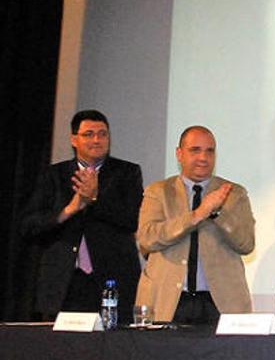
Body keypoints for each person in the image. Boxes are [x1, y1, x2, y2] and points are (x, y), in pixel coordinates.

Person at [20, 110, 143, 324]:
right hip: (64, 281)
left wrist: (94, 199)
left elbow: (131, 219)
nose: (97, 140)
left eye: (103, 134)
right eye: (89, 134)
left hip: (111, 282)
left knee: (112, 352)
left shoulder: (126, 173)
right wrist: (69, 209)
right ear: (73, 139)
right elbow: (29, 226)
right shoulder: (54, 175)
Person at [135, 126, 255, 325]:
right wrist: (197, 215)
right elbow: (147, 239)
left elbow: (246, 244)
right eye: (195, 150)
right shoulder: (158, 192)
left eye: (210, 151)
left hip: (219, 303)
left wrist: (217, 212)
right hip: (168, 301)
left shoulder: (234, 193)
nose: (203, 157)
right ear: (179, 154)